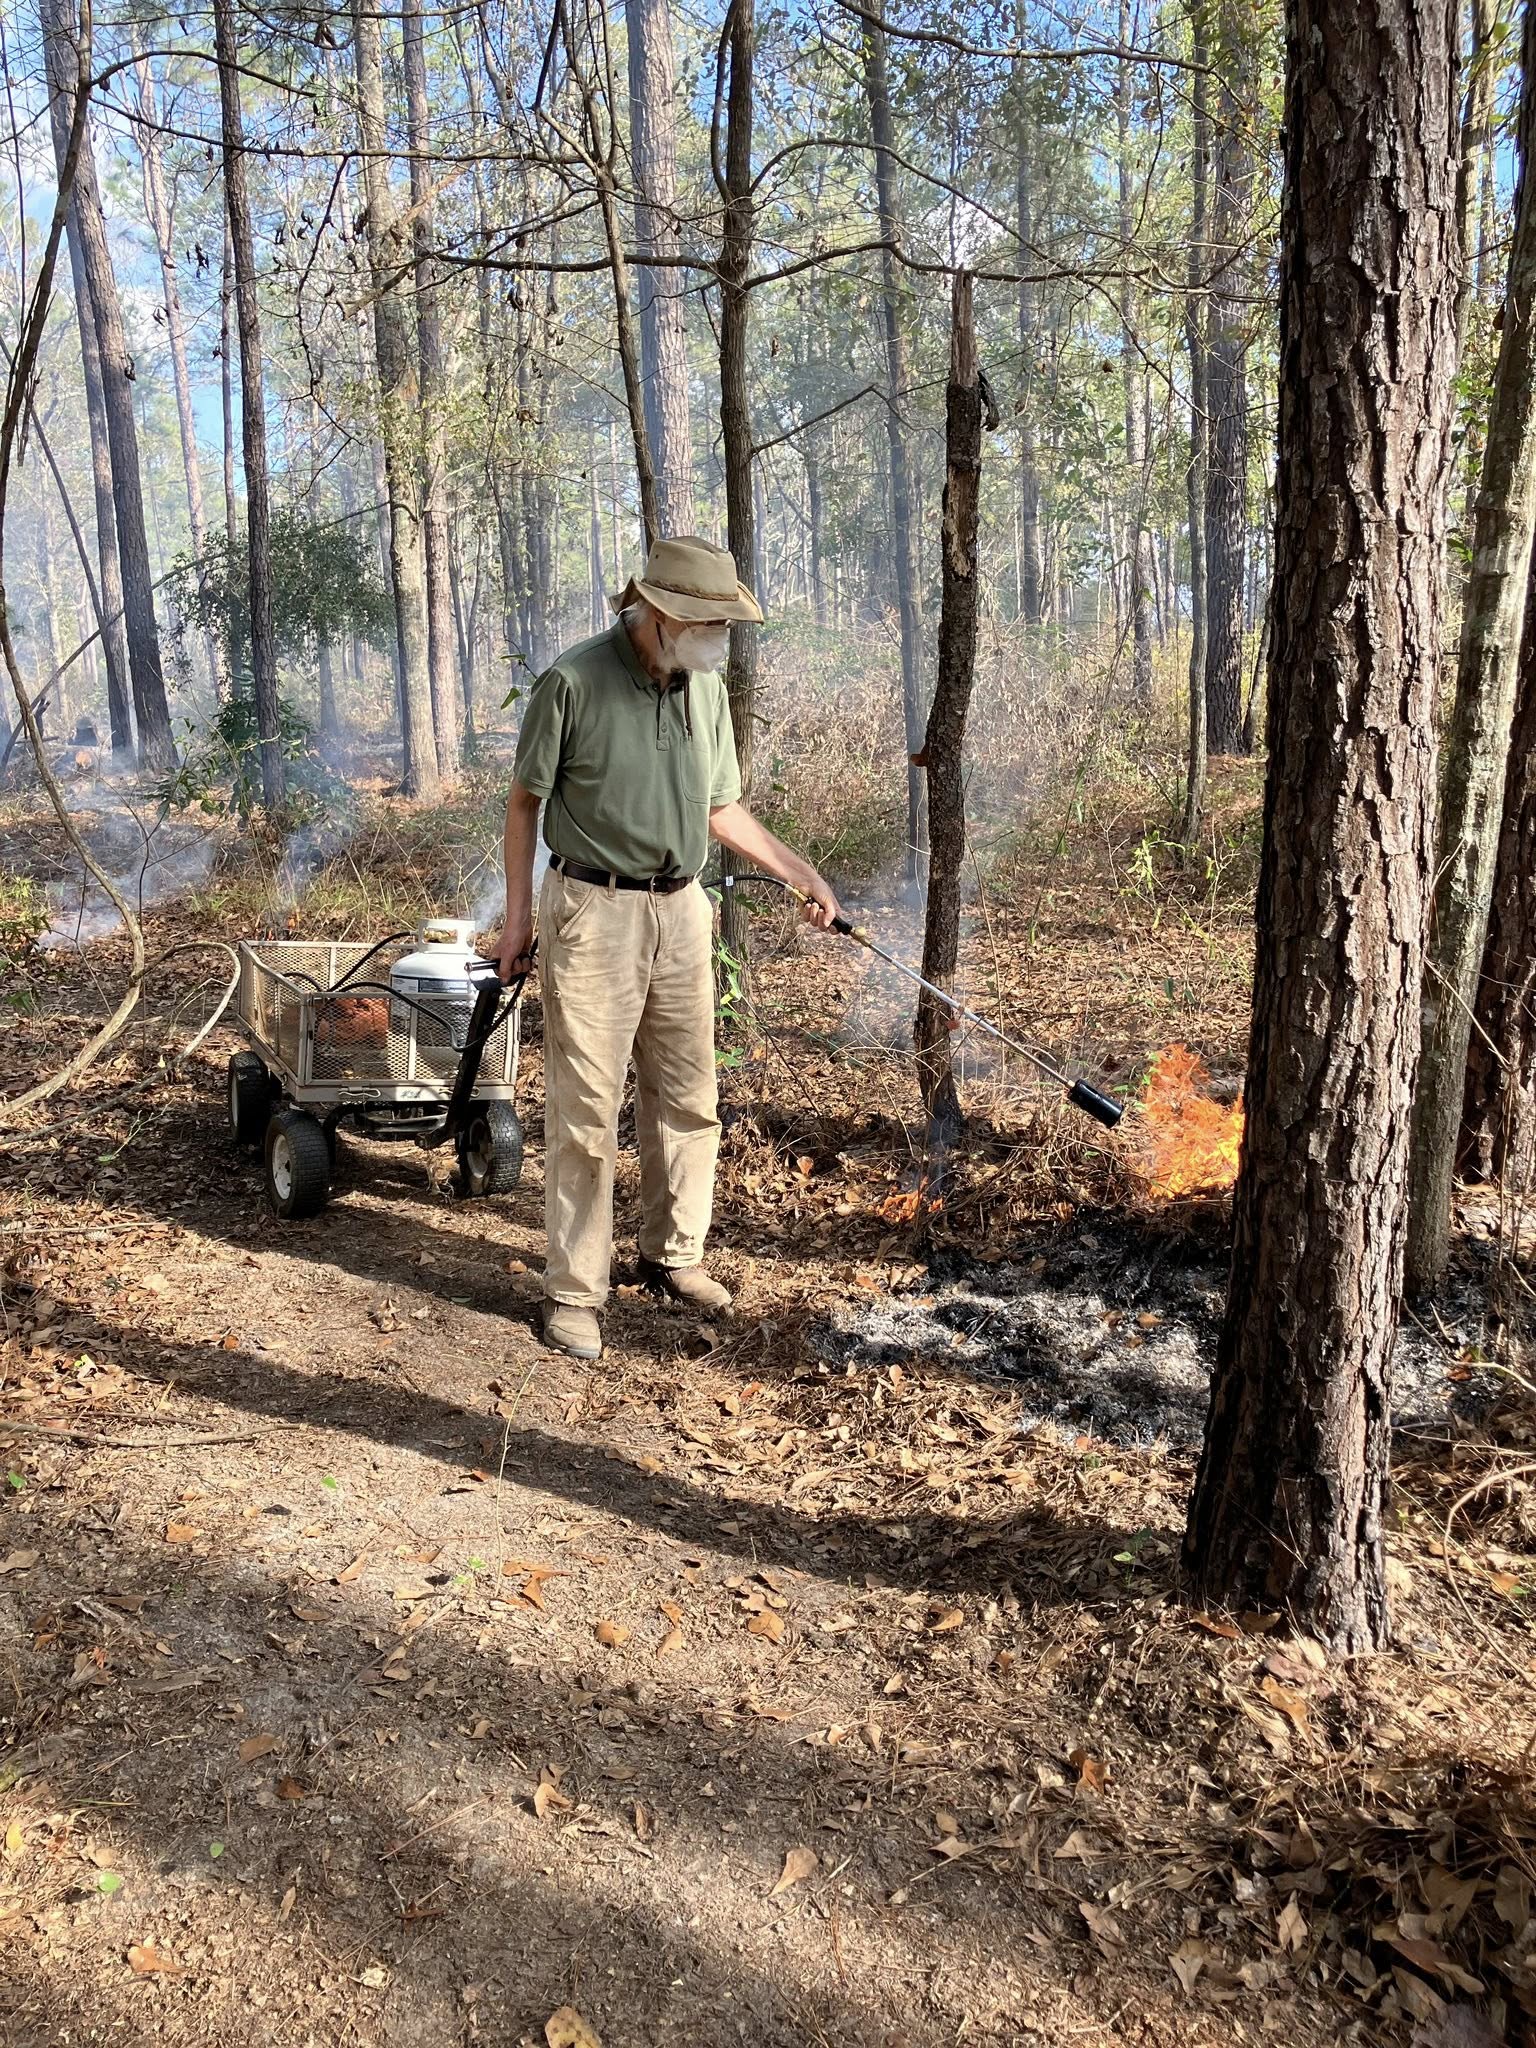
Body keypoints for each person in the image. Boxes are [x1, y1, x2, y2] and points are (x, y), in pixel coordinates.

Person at [495, 535, 842, 1361]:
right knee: (586, 1108)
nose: (721, 634)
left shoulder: (706, 690)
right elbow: (521, 806)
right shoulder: (573, 682)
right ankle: (574, 1292)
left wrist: (801, 872)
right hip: (592, 909)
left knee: (688, 1095)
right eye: (709, 619)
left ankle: (671, 1255)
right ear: (660, 614)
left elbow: (721, 808)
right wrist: (518, 921)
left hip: (683, 910)